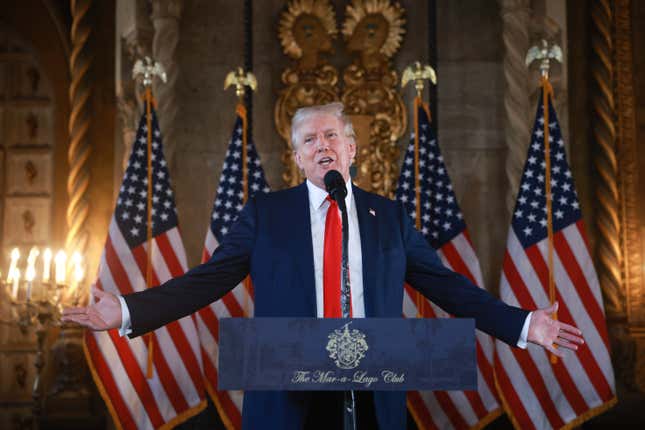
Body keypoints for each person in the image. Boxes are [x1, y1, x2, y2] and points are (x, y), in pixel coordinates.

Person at [63, 102, 583, 429]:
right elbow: (208, 281)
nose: (322, 146)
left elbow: (447, 286)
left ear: (352, 149)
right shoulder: (266, 215)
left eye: (331, 136)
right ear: (297, 158)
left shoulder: (390, 217)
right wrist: (129, 310)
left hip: (372, 394)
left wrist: (524, 322)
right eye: (309, 140)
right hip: (289, 397)